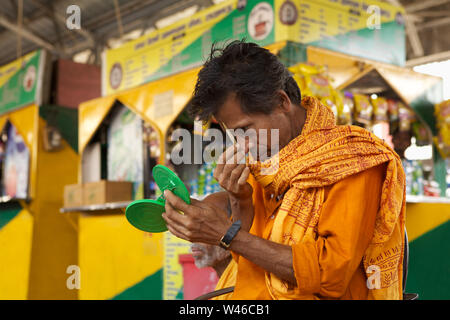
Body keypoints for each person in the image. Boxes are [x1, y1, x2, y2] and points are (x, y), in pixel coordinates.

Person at [162, 40, 406, 300]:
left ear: (281, 102)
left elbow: (329, 273)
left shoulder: (354, 159)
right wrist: (239, 199)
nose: (241, 145)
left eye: (244, 129)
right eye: (232, 134)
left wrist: (226, 234)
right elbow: (247, 258)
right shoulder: (264, 165)